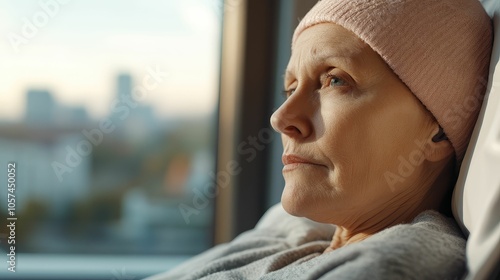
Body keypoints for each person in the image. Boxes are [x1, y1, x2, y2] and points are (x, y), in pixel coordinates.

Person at [147, 0, 493, 279]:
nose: (281, 118)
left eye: (335, 81)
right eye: (291, 87)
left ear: (436, 131)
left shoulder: (394, 263)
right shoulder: (292, 229)